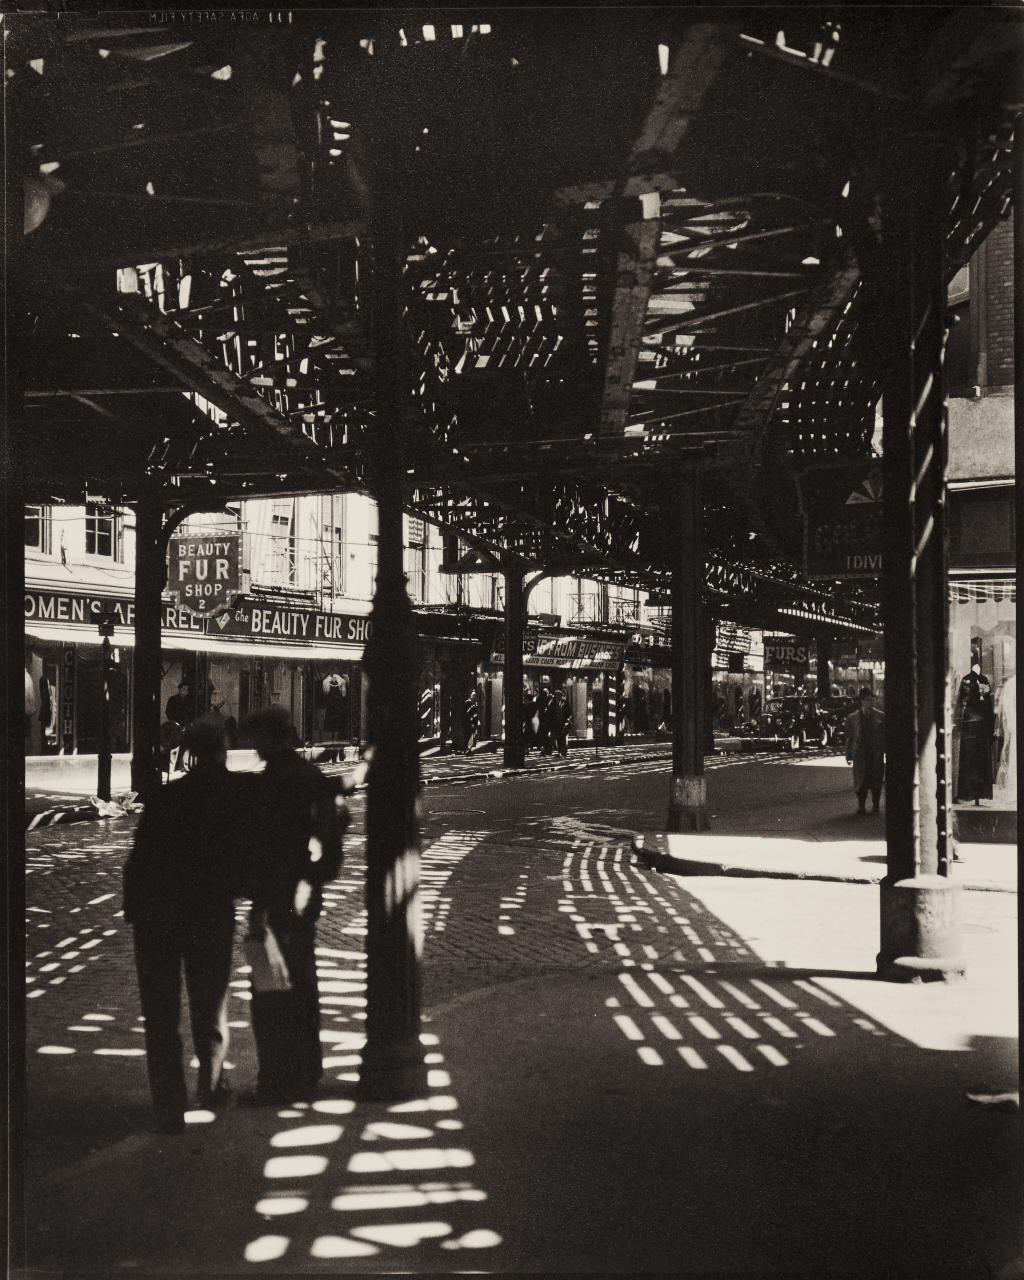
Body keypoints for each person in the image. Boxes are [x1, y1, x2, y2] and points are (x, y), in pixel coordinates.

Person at [122, 717, 246, 1134]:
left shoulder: (166, 797)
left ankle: (169, 1106)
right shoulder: (236, 794)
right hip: (209, 913)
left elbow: (140, 858)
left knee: (160, 1014)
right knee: (209, 1006)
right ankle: (210, 1090)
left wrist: (134, 909)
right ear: (223, 750)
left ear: (189, 753)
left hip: (157, 915)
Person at [241, 706, 346, 1104]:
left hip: (274, 897)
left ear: (272, 738)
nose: (254, 746)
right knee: (301, 986)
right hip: (300, 898)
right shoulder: (309, 779)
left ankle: (278, 1079)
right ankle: (304, 1072)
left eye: (258, 739)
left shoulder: (274, 783)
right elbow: (330, 842)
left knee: (270, 991)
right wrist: (312, 878)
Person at [955, 662, 995, 804]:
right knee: (975, 759)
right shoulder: (970, 680)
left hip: (975, 726)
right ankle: (973, 793)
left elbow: (963, 705)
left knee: (973, 759)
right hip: (976, 726)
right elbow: (988, 707)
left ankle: (973, 793)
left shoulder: (980, 680)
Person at [845, 687, 885, 814]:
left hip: (875, 754)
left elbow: (885, 736)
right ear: (862, 701)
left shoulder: (881, 716)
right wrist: (848, 755)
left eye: (872, 699)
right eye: (867, 700)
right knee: (861, 781)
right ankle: (861, 806)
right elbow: (849, 738)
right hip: (860, 755)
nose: (870, 702)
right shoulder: (852, 718)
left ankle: (876, 805)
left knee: (876, 781)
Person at [536, 674, 555, 756]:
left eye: (546, 692)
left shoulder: (549, 700)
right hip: (544, 720)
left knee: (544, 735)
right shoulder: (544, 700)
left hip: (546, 720)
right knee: (544, 735)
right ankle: (547, 749)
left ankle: (548, 749)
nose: (545, 694)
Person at [552, 685, 572, 758]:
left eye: (557, 695)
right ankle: (560, 751)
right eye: (555, 695)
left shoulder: (565, 702)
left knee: (563, 737)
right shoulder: (554, 703)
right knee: (558, 737)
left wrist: (568, 720)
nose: (555, 696)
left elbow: (569, 712)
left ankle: (563, 751)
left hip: (564, 723)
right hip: (557, 724)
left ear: (560, 696)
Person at [464, 686, 481, 755]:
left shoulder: (473, 703)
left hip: (473, 721)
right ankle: (468, 749)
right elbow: (468, 713)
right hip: (470, 722)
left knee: (472, 735)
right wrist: (471, 720)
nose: (474, 696)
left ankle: (469, 749)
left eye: (475, 695)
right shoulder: (468, 703)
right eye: (473, 695)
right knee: (469, 735)